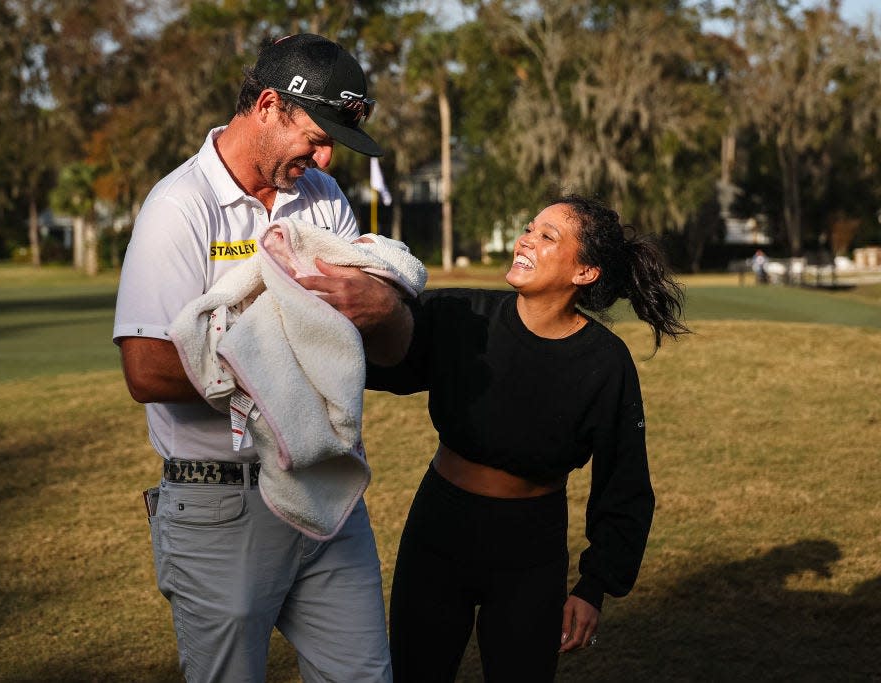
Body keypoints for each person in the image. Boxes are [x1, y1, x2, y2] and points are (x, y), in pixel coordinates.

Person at [113, 34, 407, 683]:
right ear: (269, 105)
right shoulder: (178, 206)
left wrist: (384, 308)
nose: (327, 157)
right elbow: (146, 368)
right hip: (219, 507)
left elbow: (380, 339)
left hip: (327, 491)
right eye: (318, 134)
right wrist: (275, 363)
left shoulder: (322, 196)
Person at [365, 195, 690, 681]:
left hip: (529, 549)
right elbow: (381, 359)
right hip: (438, 528)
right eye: (529, 228)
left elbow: (624, 480)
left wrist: (592, 587)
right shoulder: (462, 314)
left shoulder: (606, 363)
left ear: (585, 272)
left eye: (547, 236)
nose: (526, 241)